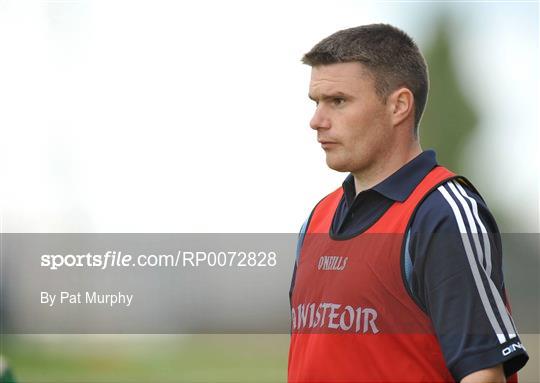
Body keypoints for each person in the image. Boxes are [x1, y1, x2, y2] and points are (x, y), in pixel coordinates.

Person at [288, 24, 528, 383]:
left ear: (399, 105)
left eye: (338, 101)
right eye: (316, 102)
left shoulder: (442, 213)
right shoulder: (318, 218)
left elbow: (483, 375)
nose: (316, 121)